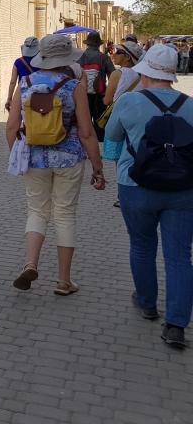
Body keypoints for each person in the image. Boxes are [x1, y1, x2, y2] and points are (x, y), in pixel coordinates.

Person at [106, 44, 193, 349]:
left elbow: (112, 139)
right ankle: (176, 325)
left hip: (135, 184)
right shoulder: (190, 104)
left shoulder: (129, 101)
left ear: (146, 72)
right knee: (180, 255)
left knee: (142, 246)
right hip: (183, 189)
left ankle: (146, 303)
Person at [6, 34, 107, 296]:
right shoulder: (74, 86)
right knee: (64, 215)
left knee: (37, 211)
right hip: (69, 158)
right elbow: (86, 132)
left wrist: (17, 156)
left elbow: (11, 126)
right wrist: (98, 168)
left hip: (34, 157)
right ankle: (64, 281)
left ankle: (30, 263)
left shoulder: (25, 83)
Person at [104, 40, 144, 208]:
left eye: (117, 52)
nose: (113, 54)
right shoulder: (143, 75)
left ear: (127, 57)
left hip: (120, 120)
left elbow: (107, 100)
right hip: (140, 120)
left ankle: (123, 195)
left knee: (120, 160)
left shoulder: (117, 74)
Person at [78, 32, 115, 142]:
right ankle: (99, 144)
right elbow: (112, 75)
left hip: (82, 94)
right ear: (99, 44)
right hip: (100, 94)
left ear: (87, 44)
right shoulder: (104, 58)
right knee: (100, 122)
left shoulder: (80, 57)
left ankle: (87, 143)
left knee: (84, 121)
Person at [4, 36, 40, 111]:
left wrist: (9, 99)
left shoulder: (18, 62)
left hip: (23, 93)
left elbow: (13, 82)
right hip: (40, 92)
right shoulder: (42, 61)